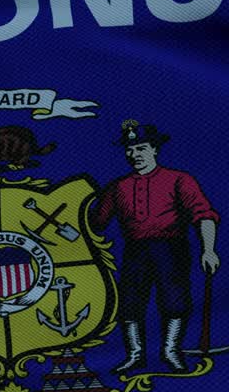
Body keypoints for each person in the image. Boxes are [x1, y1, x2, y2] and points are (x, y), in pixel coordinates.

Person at [91, 120, 221, 374]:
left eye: (140, 148)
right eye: (129, 149)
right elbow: (97, 223)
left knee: (175, 301)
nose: (134, 155)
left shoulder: (179, 179)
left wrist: (209, 249)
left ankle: (171, 351)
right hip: (135, 251)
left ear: (154, 149)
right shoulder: (118, 187)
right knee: (129, 303)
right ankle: (134, 355)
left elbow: (204, 215)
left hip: (171, 249)